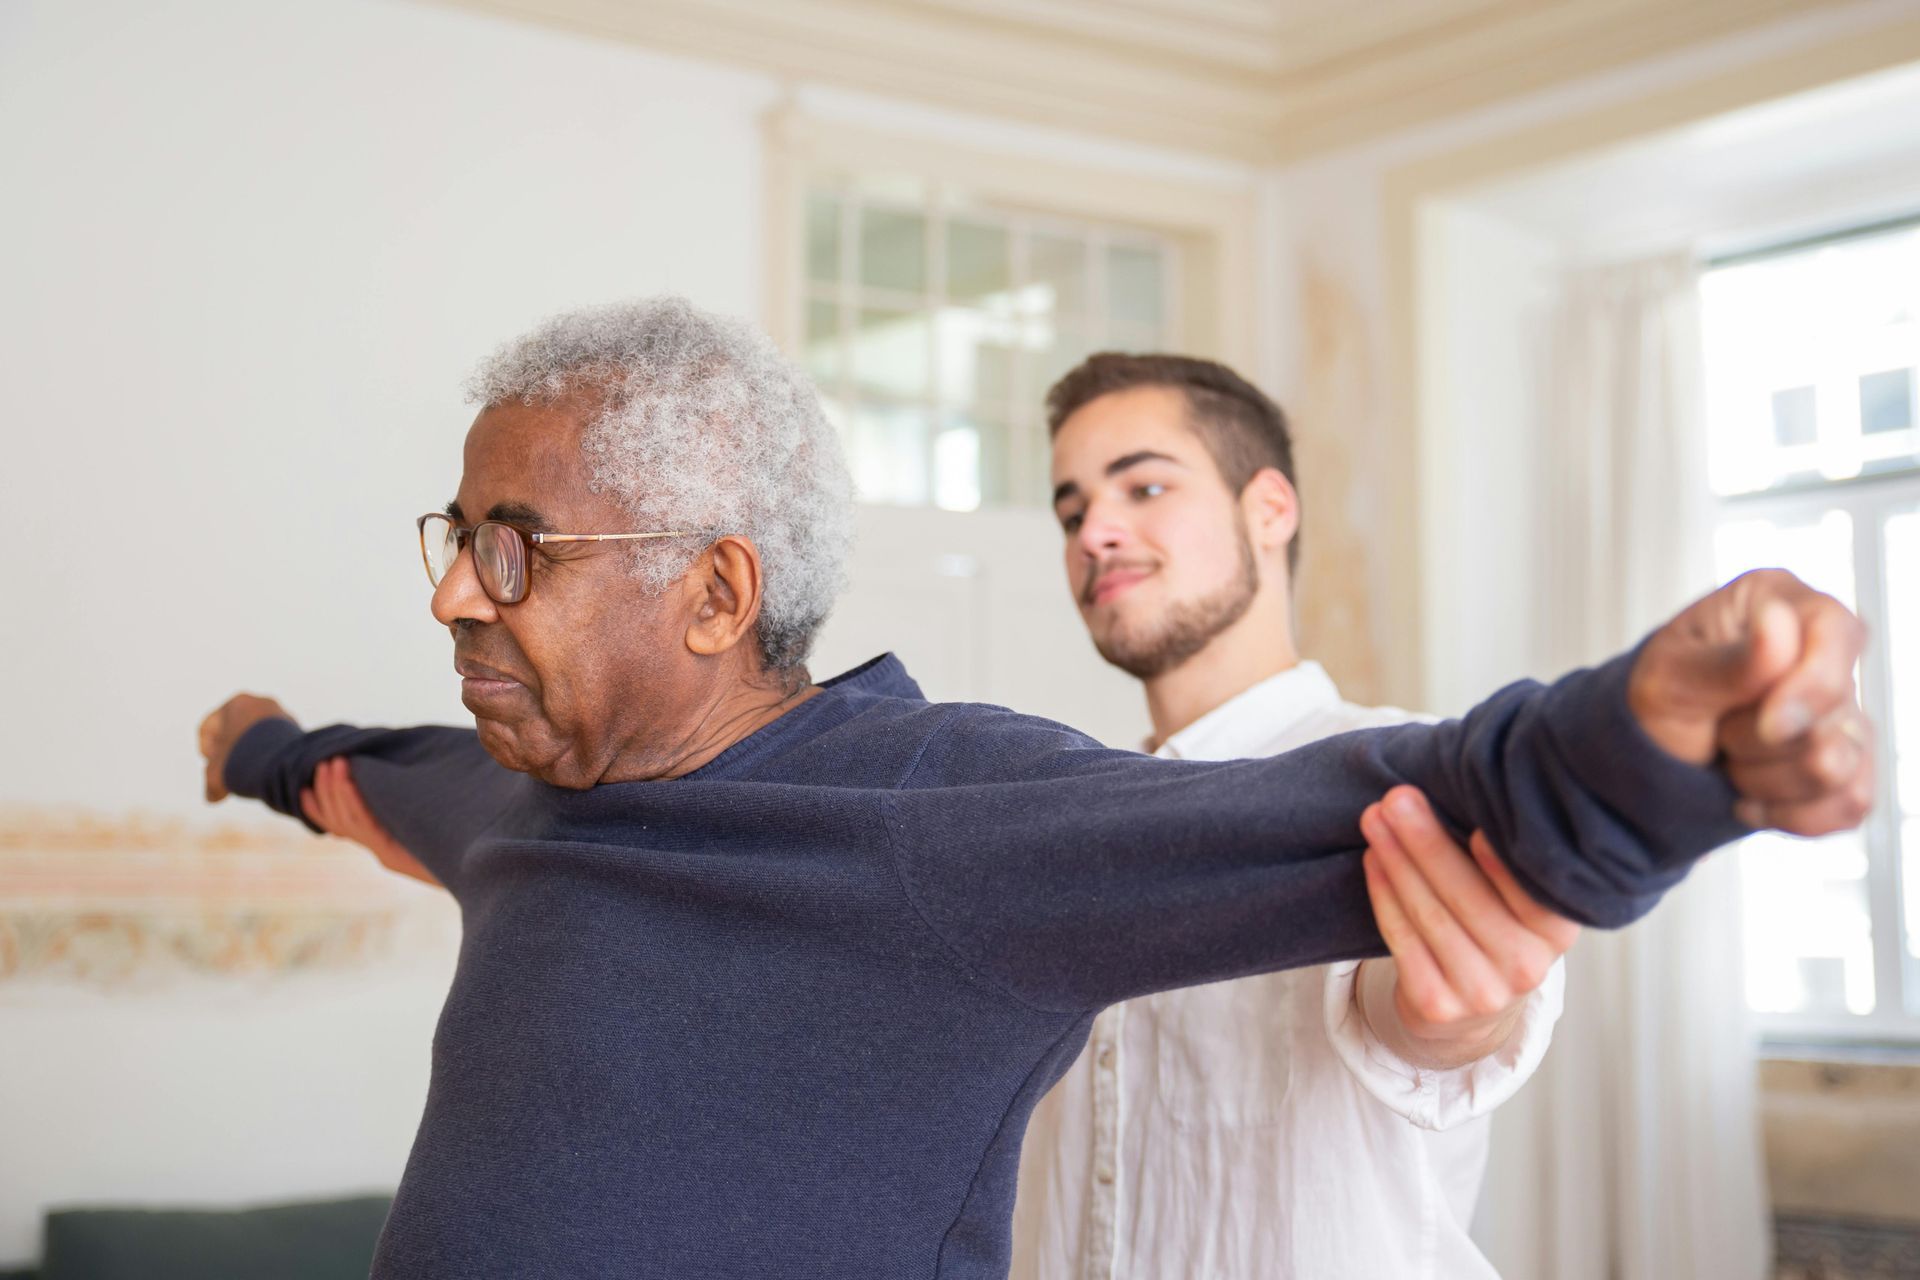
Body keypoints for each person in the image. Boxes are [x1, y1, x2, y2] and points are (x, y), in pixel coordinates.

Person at [198, 297, 1872, 1280]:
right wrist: (262, 751)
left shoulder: (942, 819)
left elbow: (1402, 799)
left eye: (514, 551)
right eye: (458, 538)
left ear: (714, 596)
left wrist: (1673, 744)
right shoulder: (514, 809)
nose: (454, 596)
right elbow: (378, 779)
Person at [1014, 354, 1580, 1279]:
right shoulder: (1063, 820)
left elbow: (1430, 1027)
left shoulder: (1402, 777)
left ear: (1269, 508)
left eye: (1144, 486)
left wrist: (1457, 1014)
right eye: (1072, 512)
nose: (1095, 534)